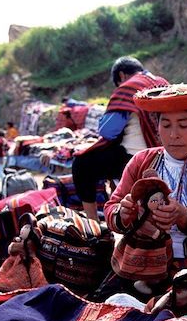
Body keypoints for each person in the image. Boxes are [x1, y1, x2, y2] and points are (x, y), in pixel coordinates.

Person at [101, 81, 187, 299]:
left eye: (183, 125)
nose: (173, 134)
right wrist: (124, 213)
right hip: (141, 267)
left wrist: (185, 217)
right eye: (166, 125)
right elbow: (112, 207)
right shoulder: (141, 161)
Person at [71, 56, 168, 221]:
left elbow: (108, 131)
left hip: (135, 157)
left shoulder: (129, 87)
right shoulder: (163, 82)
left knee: (81, 164)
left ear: (122, 76)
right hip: (164, 155)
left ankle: (93, 223)